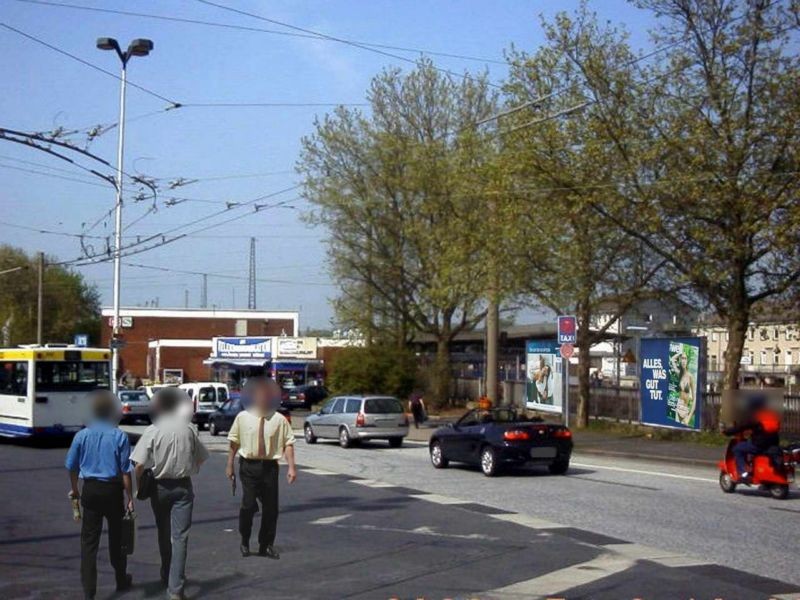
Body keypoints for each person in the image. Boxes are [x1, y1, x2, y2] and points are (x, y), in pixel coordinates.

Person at [131, 387, 209, 600]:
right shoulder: (190, 429)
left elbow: (138, 465)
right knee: (180, 538)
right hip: (183, 487)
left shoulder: (153, 430)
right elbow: (201, 458)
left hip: (159, 488)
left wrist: (139, 487)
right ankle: (175, 589)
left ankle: (167, 572)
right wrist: (190, 466)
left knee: (163, 532)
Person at [65, 390, 134, 600]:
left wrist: (75, 489)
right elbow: (125, 471)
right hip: (113, 491)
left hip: (91, 491)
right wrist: (130, 498)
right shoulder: (119, 435)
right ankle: (121, 578)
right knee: (117, 538)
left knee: (89, 542)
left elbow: (71, 466)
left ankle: (89, 591)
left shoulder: (82, 435)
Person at [226, 377, 297, 559]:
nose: (263, 399)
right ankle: (244, 539)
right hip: (249, 466)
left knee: (271, 509)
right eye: (260, 396)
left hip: (269, 468)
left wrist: (291, 467)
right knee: (248, 505)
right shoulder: (243, 417)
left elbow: (288, 443)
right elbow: (234, 442)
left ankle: (266, 544)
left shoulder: (279, 420)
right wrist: (230, 465)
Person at [724, 395, 781, 482]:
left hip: (759, 445)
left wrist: (727, 432)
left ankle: (743, 473)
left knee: (737, 449)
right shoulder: (771, 414)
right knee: (748, 445)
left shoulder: (755, 416)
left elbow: (741, 427)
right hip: (773, 443)